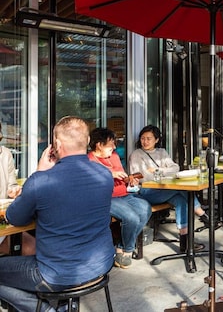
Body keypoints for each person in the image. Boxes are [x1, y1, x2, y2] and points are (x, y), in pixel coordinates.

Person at [0, 116, 114, 312]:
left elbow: (14, 217)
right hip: (102, 264)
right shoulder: (104, 174)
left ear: (56, 144)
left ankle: (46, 310)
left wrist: (39, 171)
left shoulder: (41, 181)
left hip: (56, 274)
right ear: (87, 142)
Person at [128, 125, 210, 252]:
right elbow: (143, 177)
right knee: (182, 189)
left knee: (181, 200)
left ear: (156, 140)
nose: (145, 141)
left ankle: (185, 242)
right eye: (143, 138)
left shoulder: (162, 152)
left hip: (166, 191)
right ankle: (203, 215)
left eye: (149, 138)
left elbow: (175, 168)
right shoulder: (136, 154)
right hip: (146, 192)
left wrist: (158, 170)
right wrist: (164, 173)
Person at [88, 127, 152, 269]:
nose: (114, 147)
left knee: (145, 209)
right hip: (105, 198)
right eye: (111, 144)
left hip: (124, 194)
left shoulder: (114, 156)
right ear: (99, 144)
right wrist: (109, 174)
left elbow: (122, 178)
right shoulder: (89, 161)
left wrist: (129, 180)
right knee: (132, 217)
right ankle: (128, 251)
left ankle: (121, 246)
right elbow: (91, 184)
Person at [0, 121, 35, 256]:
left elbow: (11, 184)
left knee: (34, 248)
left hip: (3, 221)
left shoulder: (5, 154)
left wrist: (14, 190)